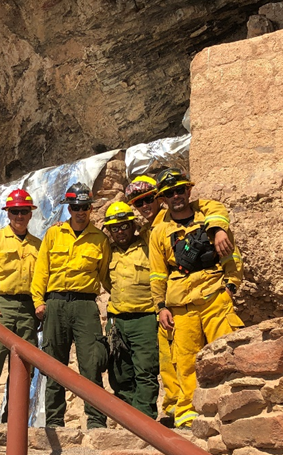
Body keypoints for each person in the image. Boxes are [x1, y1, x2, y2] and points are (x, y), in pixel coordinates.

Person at [148, 168, 244, 429]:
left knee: (226, 353)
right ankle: (188, 413)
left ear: (188, 190)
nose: (176, 195)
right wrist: (161, 307)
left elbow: (230, 257)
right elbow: (157, 274)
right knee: (186, 361)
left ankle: (234, 406)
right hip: (181, 304)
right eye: (170, 193)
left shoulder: (209, 216)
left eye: (180, 190)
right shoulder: (158, 232)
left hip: (215, 296)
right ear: (164, 198)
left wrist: (231, 287)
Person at [31, 182, 111, 429]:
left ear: (90, 208)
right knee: (54, 363)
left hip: (86, 305)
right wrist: (38, 302)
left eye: (85, 206)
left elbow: (106, 275)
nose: (80, 211)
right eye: (76, 206)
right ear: (69, 209)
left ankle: (96, 421)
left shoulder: (100, 239)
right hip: (56, 304)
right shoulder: (54, 234)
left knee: (92, 363)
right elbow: (41, 271)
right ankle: (55, 421)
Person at [0, 189, 42, 406]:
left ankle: (13, 424)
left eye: (23, 211)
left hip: (28, 309)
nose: (19, 216)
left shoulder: (38, 245)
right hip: (0, 306)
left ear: (30, 214)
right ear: (7, 214)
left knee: (23, 367)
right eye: (14, 212)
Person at [126, 175, 178, 425]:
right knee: (167, 358)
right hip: (160, 303)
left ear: (159, 197)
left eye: (148, 199)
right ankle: (173, 407)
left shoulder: (170, 220)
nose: (144, 206)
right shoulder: (146, 230)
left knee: (180, 355)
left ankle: (182, 406)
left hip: (176, 296)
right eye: (139, 203)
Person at [102, 202, 159, 419]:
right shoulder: (108, 251)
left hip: (144, 317)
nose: (120, 232)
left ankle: (144, 418)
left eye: (124, 226)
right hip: (117, 320)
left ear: (132, 225)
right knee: (119, 370)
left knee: (145, 370)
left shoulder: (147, 244)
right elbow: (106, 281)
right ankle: (127, 418)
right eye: (114, 228)